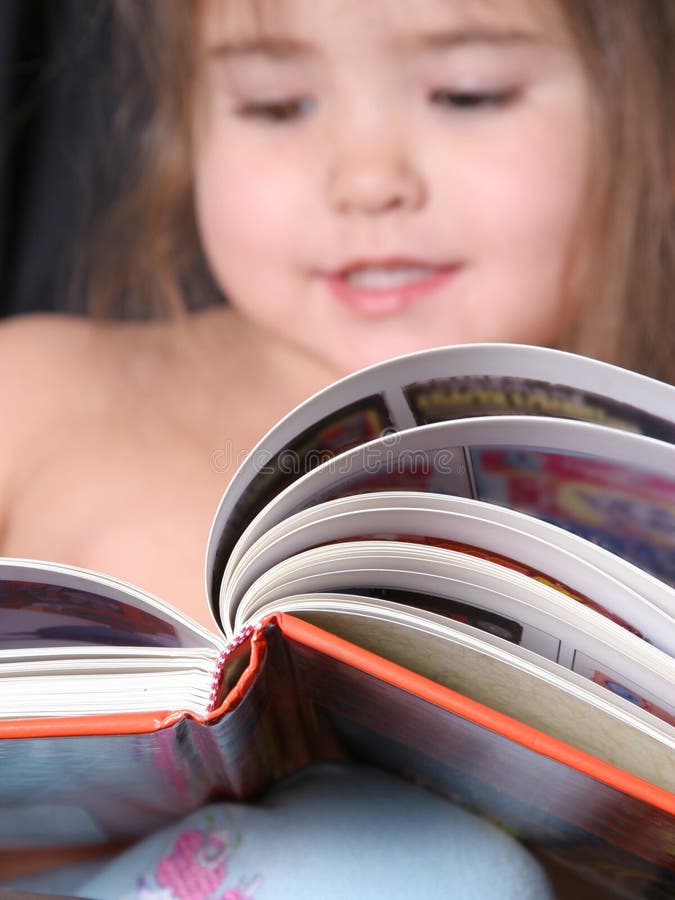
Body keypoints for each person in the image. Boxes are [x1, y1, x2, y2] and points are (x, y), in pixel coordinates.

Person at [0, 0, 673, 895]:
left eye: (467, 95)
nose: (365, 180)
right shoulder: (44, 384)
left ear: (641, 113)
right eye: (277, 105)